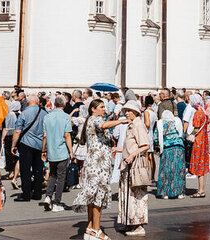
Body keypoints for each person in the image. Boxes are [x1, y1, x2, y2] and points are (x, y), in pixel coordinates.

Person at [72, 98, 126, 240]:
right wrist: (120, 121)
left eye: (104, 107)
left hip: (97, 163)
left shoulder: (91, 121)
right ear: (93, 109)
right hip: (98, 165)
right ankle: (96, 229)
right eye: (101, 107)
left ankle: (90, 227)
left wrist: (112, 146)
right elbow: (103, 125)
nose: (104, 109)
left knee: (94, 196)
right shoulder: (95, 119)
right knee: (98, 196)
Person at [118, 100, 151, 236]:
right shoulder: (131, 125)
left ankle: (138, 225)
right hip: (128, 164)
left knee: (136, 194)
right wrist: (119, 149)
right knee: (128, 194)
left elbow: (145, 145)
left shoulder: (138, 125)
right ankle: (130, 222)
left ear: (136, 112)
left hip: (135, 166)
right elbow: (132, 145)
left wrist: (132, 155)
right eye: (125, 110)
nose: (126, 113)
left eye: (129, 110)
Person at [13, 93, 46, 201]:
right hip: (40, 144)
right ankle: (37, 193)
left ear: (28, 102)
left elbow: (18, 131)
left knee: (25, 169)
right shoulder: (44, 113)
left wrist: (13, 145)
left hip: (26, 144)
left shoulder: (24, 113)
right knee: (38, 170)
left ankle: (26, 193)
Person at [42, 93, 73, 211]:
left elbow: (44, 135)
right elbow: (67, 135)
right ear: (64, 104)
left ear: (54, 104)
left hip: (51, 150)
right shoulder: (66, 117)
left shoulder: (47, 117)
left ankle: (48, 196)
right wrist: (71, 151)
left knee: (52, 175)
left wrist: (43, 149)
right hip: (62, 151)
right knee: (61, 177)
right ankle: (57, 202)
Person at [156, 108, 187, 199]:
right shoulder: (177, 121)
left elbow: (156, 138)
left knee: (166, 170)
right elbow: (181, 134)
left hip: (166, 149)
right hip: (179, 148)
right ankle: (179, 192)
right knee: (179, 170)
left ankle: (165, 193)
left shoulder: (160, 123)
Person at [186, 93, 210, 197]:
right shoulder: (204, 112)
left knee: (199, 165)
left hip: (198, 142)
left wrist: (189, 136)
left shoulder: (197, 113)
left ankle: (200, 191)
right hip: (204, 141)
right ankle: (202, 189)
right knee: (203, 166)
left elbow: (196, 128)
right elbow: (208, 127)